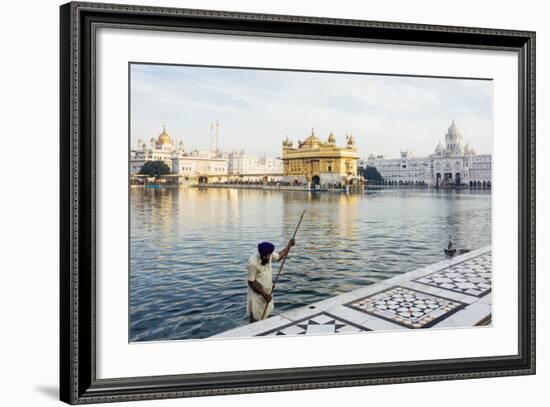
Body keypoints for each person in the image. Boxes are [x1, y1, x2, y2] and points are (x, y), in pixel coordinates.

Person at [247, 239, 295, 323]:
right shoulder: (252, 263)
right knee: (255, 316)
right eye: (268, 256)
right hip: (257, 294)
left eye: (270, 255)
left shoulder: (269, 253)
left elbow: (279, 256)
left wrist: (289, 246)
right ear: (262, 255)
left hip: (267, 292)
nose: (270, 258)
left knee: (267, 313)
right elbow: (251, 282)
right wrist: (264, 294)